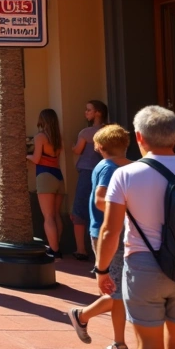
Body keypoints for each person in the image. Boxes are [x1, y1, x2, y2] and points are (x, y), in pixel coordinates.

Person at [97, 106, 175, 349]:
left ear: (139, 137)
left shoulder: (125, 174)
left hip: (144, 266)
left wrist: (102, 269)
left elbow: (110, 231)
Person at [66, 124, 134, 349]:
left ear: (98, 146)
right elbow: (100, 200)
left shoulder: (129, 167)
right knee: (118, 291)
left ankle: (84, 317)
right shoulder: (107, 167)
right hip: (106, 232)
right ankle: (117, 341)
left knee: (123, 290)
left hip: (127, 233)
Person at [71, 100, 109, 261]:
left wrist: (73, 146)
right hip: (107, 172)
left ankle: (81, 249)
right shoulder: (110, 130)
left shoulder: (86, 133)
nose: (86, 113)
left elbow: (77, 149)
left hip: (87, 173)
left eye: (89, 110)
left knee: (78, 211)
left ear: (98, 113)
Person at [29, 108, 65, 259]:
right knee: (56, 215)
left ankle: (54, 250)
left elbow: (37, 159)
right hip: (58, 176)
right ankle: (57, 245)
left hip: (44, 176)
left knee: (48, 216)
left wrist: (26, 155)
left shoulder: (40, 137)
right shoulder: (58, 138)